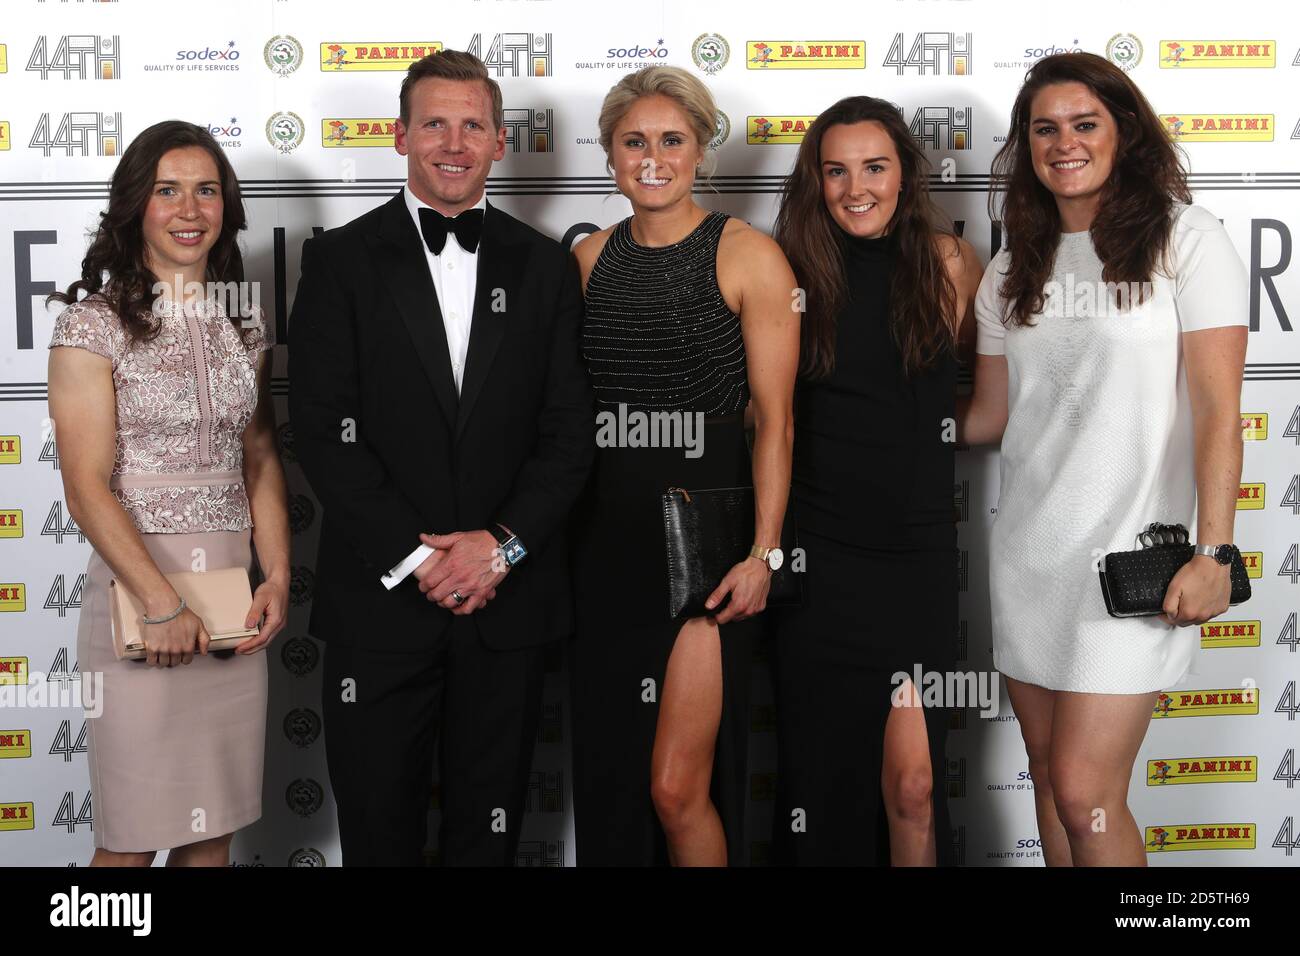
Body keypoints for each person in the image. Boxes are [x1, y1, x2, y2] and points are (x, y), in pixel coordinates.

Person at [287, 49, 594, 866]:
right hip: (381, 611)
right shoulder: (339, 261)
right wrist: (416, 560)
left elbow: (570, 436)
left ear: (499, 140)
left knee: (486, 843)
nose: (453, 143)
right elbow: (323, 428)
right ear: (399, 136)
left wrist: (503, 548)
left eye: (472, 124)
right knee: (378, 840)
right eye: (434, 123)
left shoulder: (546, 268)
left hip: (507, 607)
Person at [959, 52, 1248, 866]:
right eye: (1044, 129)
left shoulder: (1188, 241)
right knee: (1050, 781)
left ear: (1125, 132)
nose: (1065, 143)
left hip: (1132, 562)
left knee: (1087, 793)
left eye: (1085, 124)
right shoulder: (1013, 267)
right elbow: (987, 415)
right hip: (1030, 555)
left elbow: (1221, 414)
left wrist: (1217, 552)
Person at [569, 65, 798, 866]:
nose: (653, 157)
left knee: (677, 787)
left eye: (672, 139)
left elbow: (774, 422)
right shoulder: (588, 260)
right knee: (613, 783)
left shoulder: (748, 256)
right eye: (635, 141)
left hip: (704, 546)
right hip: (600, 546)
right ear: (610, 154)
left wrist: (764, 553)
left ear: (701, 149)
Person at [46, 120, 288, 866]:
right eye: (168, 190)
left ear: (227, 206)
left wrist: (278, 574)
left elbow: (258, 455)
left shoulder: (245, 325)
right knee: (132, 842)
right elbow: (85, 487)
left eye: (207, 190)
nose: (190, 208)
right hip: (137, 600)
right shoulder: (91, 325)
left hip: (231, 602)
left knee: (210, 835)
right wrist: (160, 603)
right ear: (135, 207)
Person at [767, 96, 981, 866]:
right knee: (821, 784)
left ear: (905, 174)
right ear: (815, 181)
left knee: (915, 786)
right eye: (836, 170)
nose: (856, 187)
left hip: (917, 558)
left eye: (875, 167)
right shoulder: (787, 271)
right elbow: (766, 417)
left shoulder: (950, 263)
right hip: (820, 559)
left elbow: (973, 405)